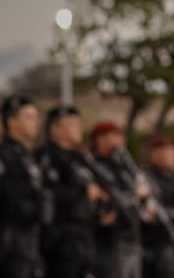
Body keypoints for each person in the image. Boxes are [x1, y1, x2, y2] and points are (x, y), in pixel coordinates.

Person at [0, 95, 47, 278]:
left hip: (32, 243)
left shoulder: (29, 157)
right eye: (29, 117)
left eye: (36, 117)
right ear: (12, 122)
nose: (36, 122)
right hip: (8, 247)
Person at [37, 105, 107, 278]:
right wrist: (83, 192)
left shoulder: (81, 157)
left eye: (78, 123)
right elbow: (48, 193)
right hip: (61, 237)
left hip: (87, 234)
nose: (78, 128)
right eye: (72, 124)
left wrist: (104, 207)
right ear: (55, 129)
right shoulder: (46, 156)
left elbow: (101, 187)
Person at [91, 121, 143, 278]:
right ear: (100, 139)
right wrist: (135, 196)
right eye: (115, 137)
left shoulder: (123, 167)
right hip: (110, 240)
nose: (120, 143)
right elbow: (113, 199)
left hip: (132, 236)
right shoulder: (95, 166)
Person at [142, 136, 174, 278]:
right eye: (170, 153)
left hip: (172, 251)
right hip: (152, 251)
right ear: (155, 154)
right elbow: (152, 212)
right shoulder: (146, 179)